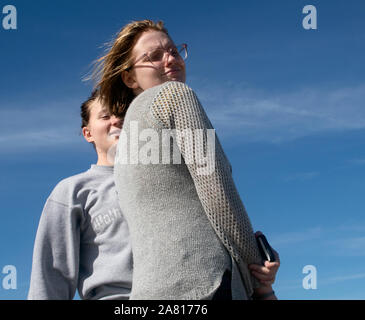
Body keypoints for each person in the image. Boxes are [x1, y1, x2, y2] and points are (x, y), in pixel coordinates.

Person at [94, 20, 280, 300]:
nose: (170, 60)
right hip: (205, 281)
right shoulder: (175, 94)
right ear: (130, 77)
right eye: (153, 57)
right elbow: (218, 193)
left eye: (174, 51)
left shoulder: (125, 141)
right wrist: (258, 270)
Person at [27, 90, 133, 299]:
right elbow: (50, 276)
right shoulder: (73, 191)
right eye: (105, 116)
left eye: (123, 113)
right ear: (88, 134)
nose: (117, 120)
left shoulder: (170, 181)